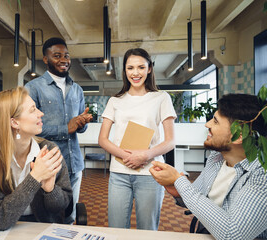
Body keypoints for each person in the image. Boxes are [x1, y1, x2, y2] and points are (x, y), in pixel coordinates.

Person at [150, 93, 267, 240]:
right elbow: (197, 196)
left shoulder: (262, 174)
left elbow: (232, 235)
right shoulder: (216, 157)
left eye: (216, 122)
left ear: (238, 136)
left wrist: (180, 181)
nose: (207, 124)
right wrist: (176, 191)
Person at [0, 87, 72, 230]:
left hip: (42, 229)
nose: (41, 113)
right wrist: (35, 178)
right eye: (33, 110)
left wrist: (50, 190)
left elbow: (62, 208)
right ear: (14, 123)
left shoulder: (49, 150)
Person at [98, 48, 176, 230]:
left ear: (149, 69)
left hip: (150, 173)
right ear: (124, 71)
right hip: (119, 174)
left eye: (141, 67)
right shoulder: (115, 100)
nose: (135, 73)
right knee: (116, 229)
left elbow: (170, 141)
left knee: (147, 229)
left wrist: (145, 155)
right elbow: (102, 139)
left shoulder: (161, 98)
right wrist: (129, 157)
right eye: (130, 68)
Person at [25, 37, 92, 224]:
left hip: (75, 163)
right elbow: (29, 128)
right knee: (48, 214)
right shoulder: (33, 88)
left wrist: (82, 123)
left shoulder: (77, 89)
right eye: (57, 56)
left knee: (70, 215)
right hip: (48, 163)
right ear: (45, 59)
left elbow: (79, 128)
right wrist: (66, 128)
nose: (64, 60)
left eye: (66, 55)